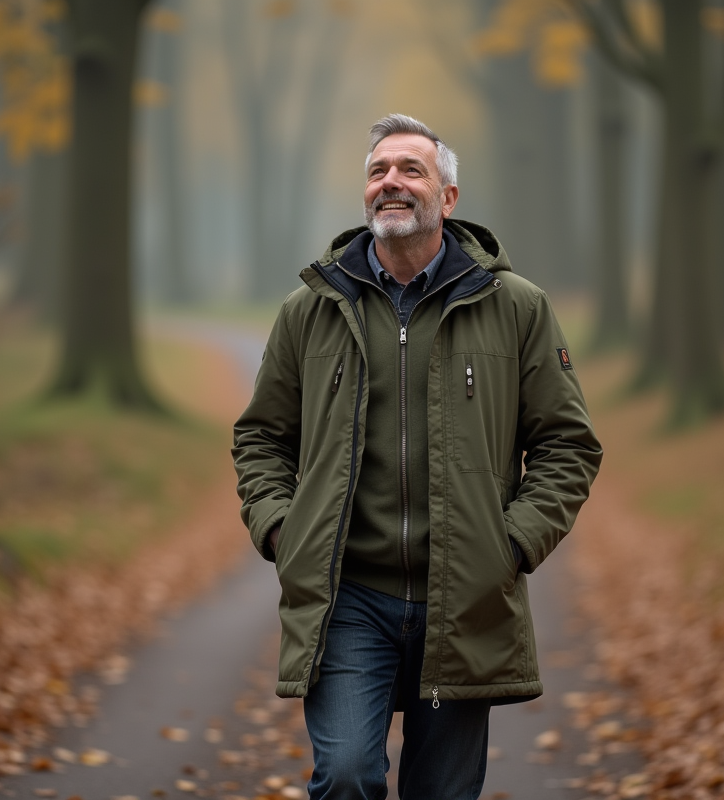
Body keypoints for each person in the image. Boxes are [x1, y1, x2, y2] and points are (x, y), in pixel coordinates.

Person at [232, 113, 602, 800]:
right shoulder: (308, 310)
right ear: (365, 193)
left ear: (447, 197)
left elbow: (567, 444)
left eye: (410, 170)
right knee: (344, 778)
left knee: (443, 793)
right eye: (378, 172)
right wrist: (285, 531)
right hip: (347, 599)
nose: (391, 183)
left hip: (464, 598)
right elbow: (260, 438)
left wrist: (510, 545)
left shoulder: (517, 307)